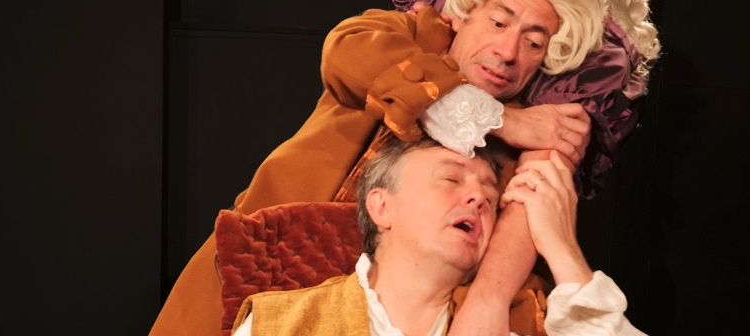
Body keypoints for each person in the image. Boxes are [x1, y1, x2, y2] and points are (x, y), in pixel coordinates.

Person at [149, 0, 608, 336]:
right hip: (264, 264)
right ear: (464, 12)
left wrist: (488, 301)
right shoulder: (411, 34)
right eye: (499, 22)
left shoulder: (535, 133)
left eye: (533, 43)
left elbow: (530, 214)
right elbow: (345, 53)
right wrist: (501, 120)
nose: (508, 51)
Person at [391, 0, 686, 335]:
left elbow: (542, 175)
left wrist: (486, 301)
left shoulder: (603, 52)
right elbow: (402, 57)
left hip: (473, 234)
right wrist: (505, 119)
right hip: (389, 188)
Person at [231, 136, 646, 335]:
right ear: (382, 207)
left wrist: (563, 249)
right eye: (451, 179)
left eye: (491, 197)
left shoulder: (521, 326)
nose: (478, 198)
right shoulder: (277, 326)